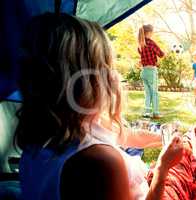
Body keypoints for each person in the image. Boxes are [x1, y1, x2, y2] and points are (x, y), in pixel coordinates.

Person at [16, 13, 185, 200]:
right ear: (83, 83)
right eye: (106, 67)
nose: (114, 76)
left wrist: (165, 141)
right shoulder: (99, 162)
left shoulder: (45, 138)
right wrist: (162, 168)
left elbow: (128, 136)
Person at [138, 24, 164, 119]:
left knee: (148, 93)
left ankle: (147, 113)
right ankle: (156, 113)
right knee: (154, 93)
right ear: (148, 32)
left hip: (144, 71)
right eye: (152, 32)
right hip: (151, 72)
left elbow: (144, 58)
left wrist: (154, 61)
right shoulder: (151, 43)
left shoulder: (140, 44)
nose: (152, 34)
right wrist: (164, 53)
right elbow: (160, 54)